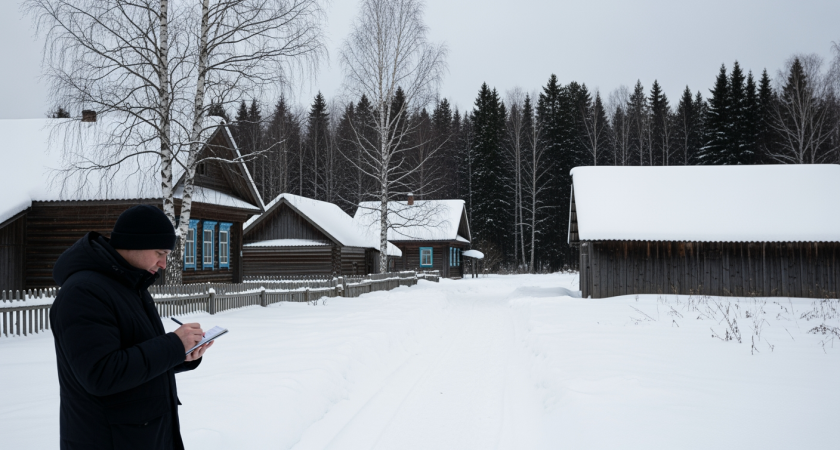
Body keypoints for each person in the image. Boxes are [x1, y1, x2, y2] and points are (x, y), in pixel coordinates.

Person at [50, 205, 213, 450]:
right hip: (108, 439)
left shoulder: (131, 286)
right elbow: (101, 374)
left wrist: (182, 355)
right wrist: (173, 345)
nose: (164, 263)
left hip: (143, 435)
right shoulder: (84, 292)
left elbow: (136, 355)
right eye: (160, 252)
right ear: (134, 243)